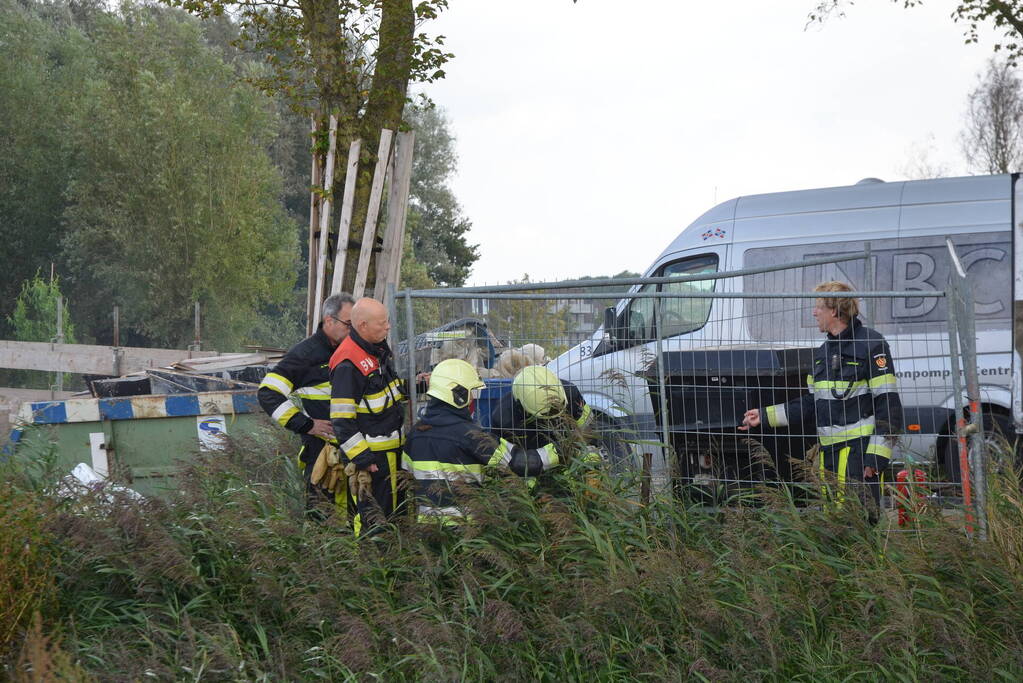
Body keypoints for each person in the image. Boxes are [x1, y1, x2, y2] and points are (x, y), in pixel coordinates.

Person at [739, 281, 903, 520]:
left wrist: (877, 458)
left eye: (818, 307)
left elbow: (888, 405)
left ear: (835, 310)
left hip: (859, 457)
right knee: (834, 523)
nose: (814, 313)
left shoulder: (872, 344)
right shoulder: (822, 353)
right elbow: (810, 403)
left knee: (862, 523)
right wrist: (763, 416)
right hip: (829, 457)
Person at [258, 293, 355, 512]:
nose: (353, 331)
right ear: (329, 321)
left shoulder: (355, 351)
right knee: (323, 519)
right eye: (348, 324)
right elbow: (268, 392)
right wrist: (307, 425)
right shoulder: (305, 354)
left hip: (356, 452)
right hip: (322, 453)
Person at [329, 297, 406, 534]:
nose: (388, 327)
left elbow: (387, 393)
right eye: (382, 323)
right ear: (362, 325)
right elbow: (341, 419)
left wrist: (416, 386)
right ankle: (373, 568)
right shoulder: (348, 363)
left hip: (391, 454)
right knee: (375, 523)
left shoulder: (375, 351)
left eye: (388, 321)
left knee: (395, 517)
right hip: (374, 460)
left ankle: (395, 566)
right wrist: (363, 458)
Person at [401, 359, 496, 524]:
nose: (472, 399)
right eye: (470, 392)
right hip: (468, 530)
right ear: (458, 395)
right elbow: (514, 463)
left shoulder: (415, 434)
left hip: (428, 529)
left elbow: (407, 473)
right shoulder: (472, 435)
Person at [487, 365, 600, 483]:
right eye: (544, 415)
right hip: (533, 472)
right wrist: (560, 453)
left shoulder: (570, 393)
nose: (551, 419)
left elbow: (589, 432)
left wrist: (591, 469)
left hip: (571, 461)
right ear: (522, 408)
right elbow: (512, 463)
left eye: (557, 411)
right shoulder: (503, 418)